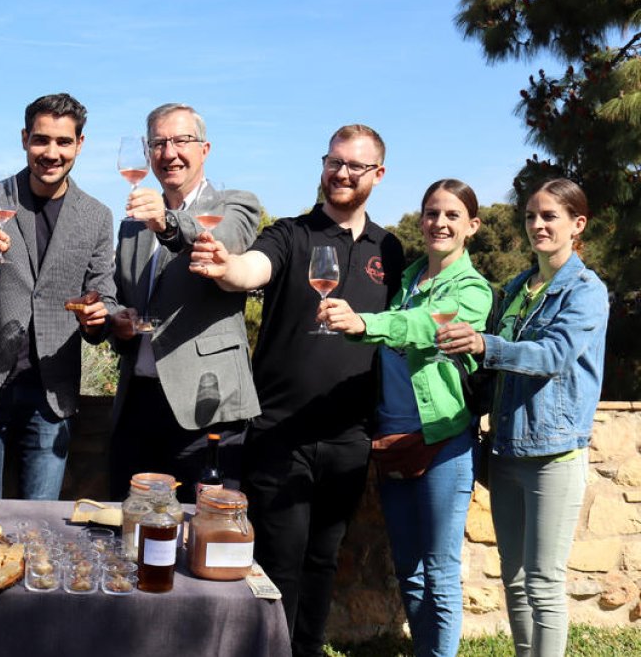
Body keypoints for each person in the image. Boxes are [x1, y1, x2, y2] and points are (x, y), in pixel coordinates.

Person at [191, 124, 406, 656]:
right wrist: (226, 268)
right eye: (333, 161)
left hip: (349, 434)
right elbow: (251, 269)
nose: (341, 173)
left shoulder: (391, 248)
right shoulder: (291, 234)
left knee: (323, 560)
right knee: (280, 561)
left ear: (378, 175)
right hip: (280, 431)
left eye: (355, 166)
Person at [318, 179, 492, 657]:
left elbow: (425, 326)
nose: (440, 223)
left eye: (452, 216)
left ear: (472, 227)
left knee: (439, 570)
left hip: (443, 443)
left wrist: (365, 323)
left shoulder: (474, 289)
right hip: (392, 439)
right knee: (409, 570)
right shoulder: (410, 276)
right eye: (432, 213)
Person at [439, 178, 608, 657]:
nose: (537, 225)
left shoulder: (586, 290)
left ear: (578, 225)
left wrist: (485, 344)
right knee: (513, 580)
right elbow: (494, 366)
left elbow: (551, 355)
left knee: (545, 584)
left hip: (554, 454)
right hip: (507, 448)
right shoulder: (517, 286)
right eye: (531, 215)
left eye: (549, 216)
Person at [0, 93, 115, 500]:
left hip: (52, 391)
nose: (51, 152)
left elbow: (105, 295)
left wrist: (99, 316)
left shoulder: (97, 216)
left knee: (39, 524)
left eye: (63, 142)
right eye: (41, 140)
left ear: (80, 144)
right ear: (25, 138)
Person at [106, 103, 261, 503]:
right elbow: (122, 300)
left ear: (204, 149)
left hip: (206, 407)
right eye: (159, 143)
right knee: (129, 532)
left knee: (200, 539)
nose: (169, 152)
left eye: (181, 141)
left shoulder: (236, 204)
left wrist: (168, 223)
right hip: (138, 407)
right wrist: (115, 322)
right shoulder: (130, 226)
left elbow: (222, 242)